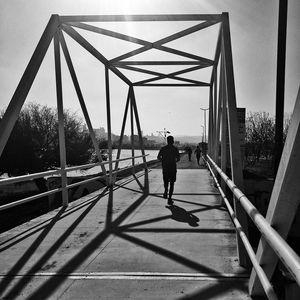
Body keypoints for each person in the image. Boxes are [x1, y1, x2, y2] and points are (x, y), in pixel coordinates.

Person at [157, 136, 180, 205]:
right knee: (172, 183)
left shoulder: (163, 148)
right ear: (172, 141)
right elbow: (178, 159)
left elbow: (158, 157)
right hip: (172, 168)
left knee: (166, 182)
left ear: (167, 141)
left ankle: (166, 190)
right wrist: (174, 161)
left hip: (165, 168)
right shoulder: (175, 149)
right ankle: (169, 198)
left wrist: (163, 161)